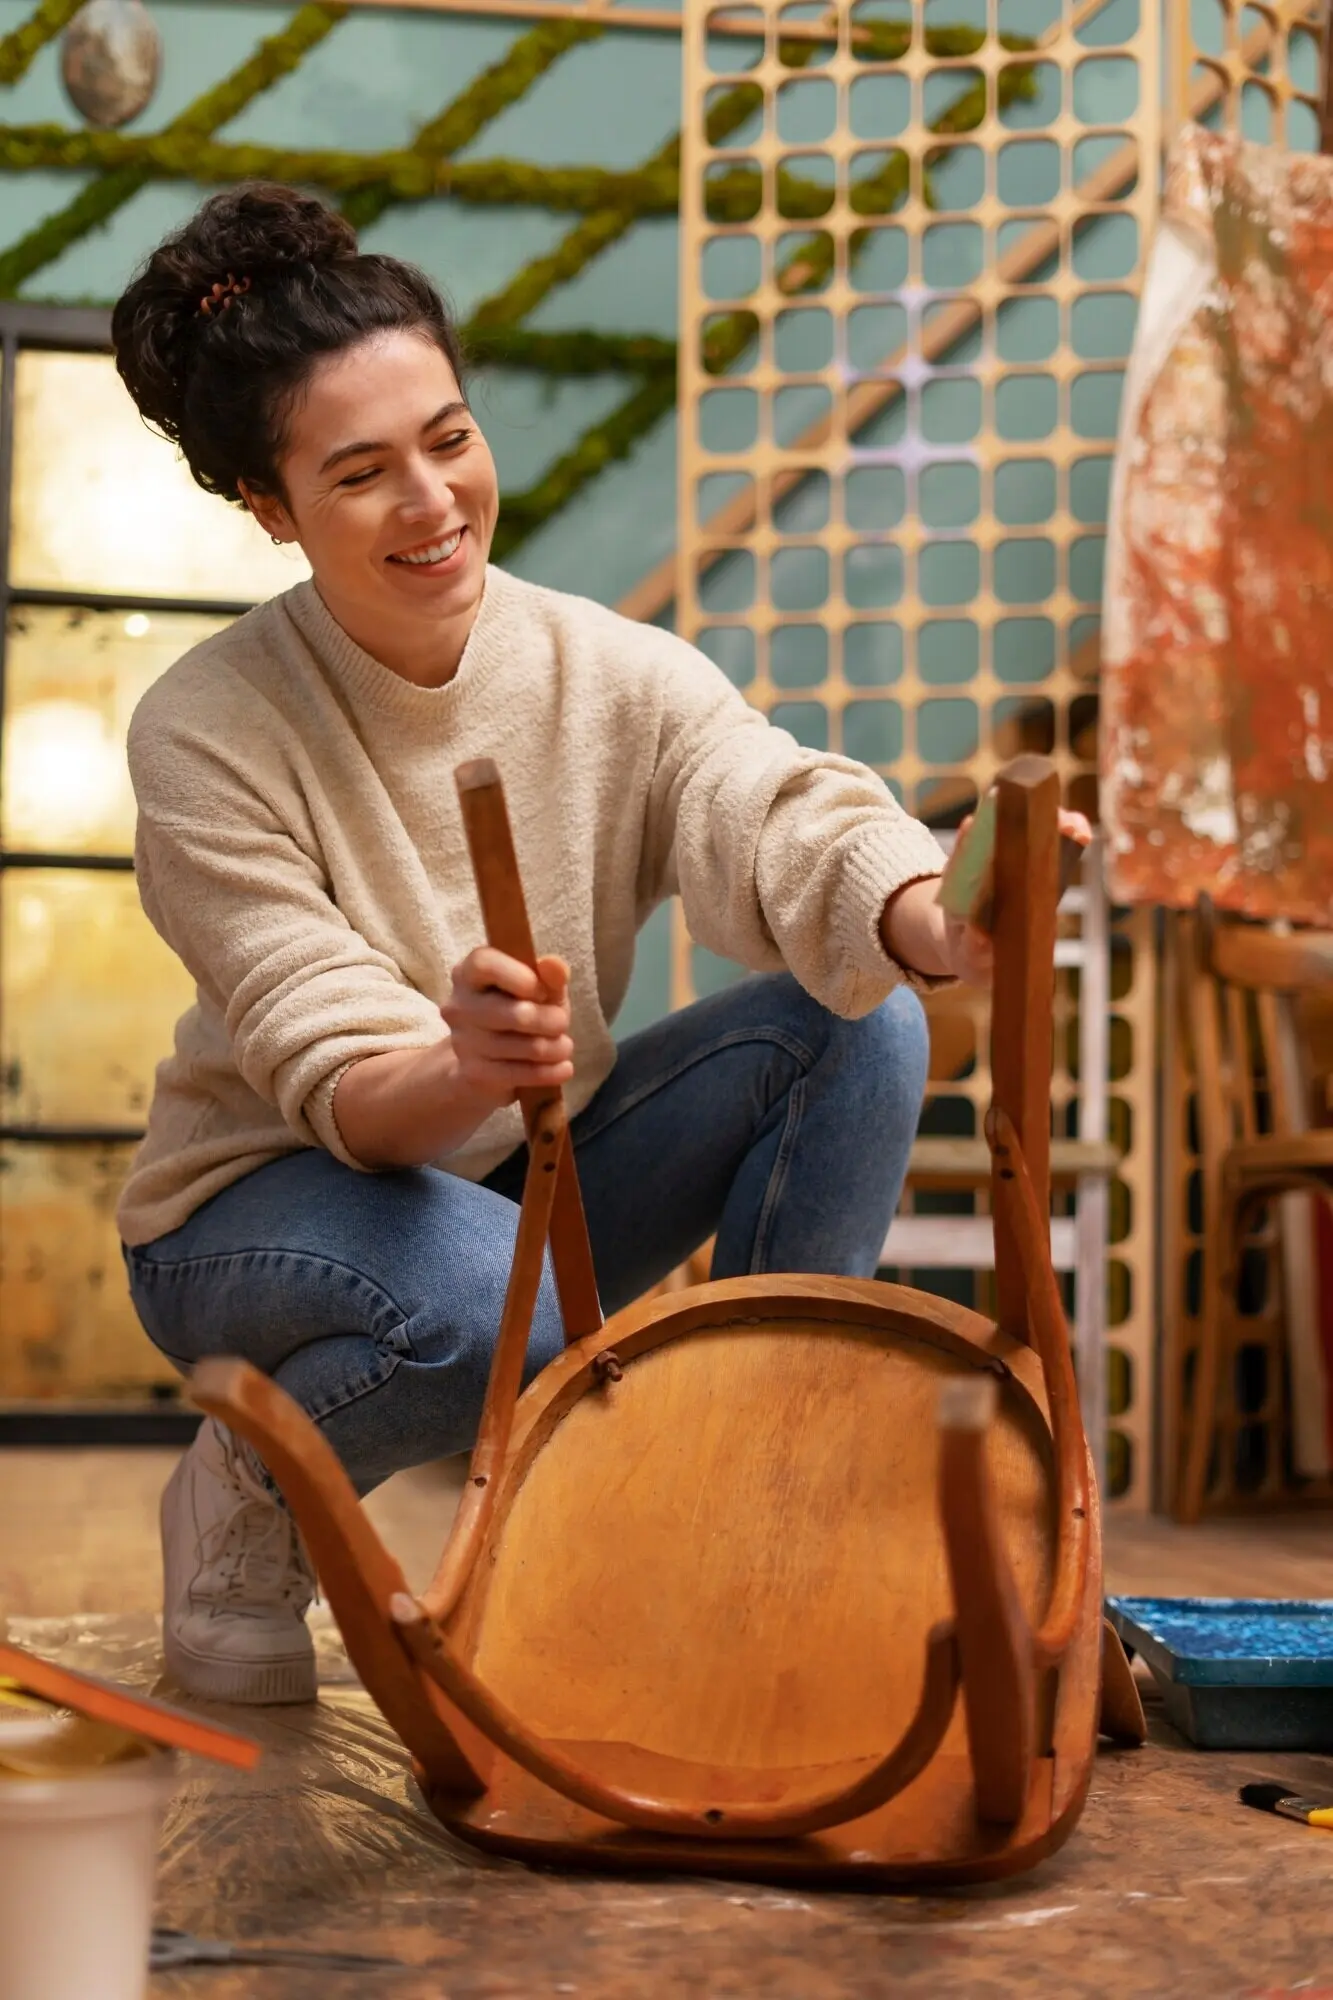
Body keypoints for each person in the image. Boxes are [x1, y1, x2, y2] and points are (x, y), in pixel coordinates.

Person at [111, 183, 1086, 1707]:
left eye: (448, 438)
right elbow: (332, 1063)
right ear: (271, 508)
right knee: (496, 1299)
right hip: (263, 1202)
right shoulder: (204, 728)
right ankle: (254, 1483)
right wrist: (453, 1066)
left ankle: (751, 1498)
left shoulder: (606, 669)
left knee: (861, 1024)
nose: (433, 503)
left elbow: (764, 804)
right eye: (361, 472)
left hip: (514, 1164)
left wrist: (929, 916)